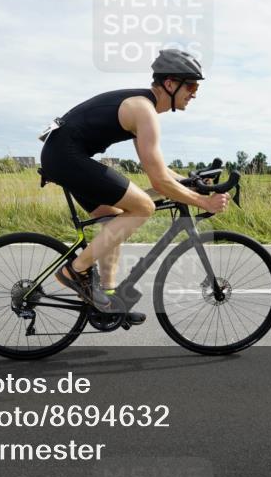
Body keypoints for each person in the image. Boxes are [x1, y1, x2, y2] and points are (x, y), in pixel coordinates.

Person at [39, 50, 230, 323]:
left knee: (116, 216)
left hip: (63, 155)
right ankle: (75, 271)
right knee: (143, 206)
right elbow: (159, 182)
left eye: (196, 87)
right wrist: (204, 202)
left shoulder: (141, 107)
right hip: (66, 156)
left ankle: (106, 299)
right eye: (190, 85)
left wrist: (190, 183)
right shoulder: (144, 110)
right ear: (170, 84)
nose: (194, 93)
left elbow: (158, 170)